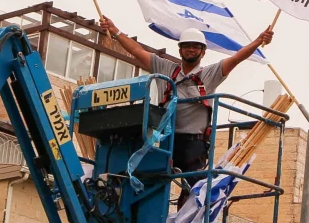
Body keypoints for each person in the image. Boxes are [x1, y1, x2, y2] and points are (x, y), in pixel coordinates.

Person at [99, 17, 273, 206]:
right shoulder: (165, 68)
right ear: (180, 49)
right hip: (167, 141)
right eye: (187, 46)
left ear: (203, 52)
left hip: (193, 144)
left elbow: (237, 58)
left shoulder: (210, 74)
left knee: (192, 191)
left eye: (196, 46)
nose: (191, 49)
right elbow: (136, 50)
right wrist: (115, 30)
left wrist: (258, 41)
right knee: (151, 184)